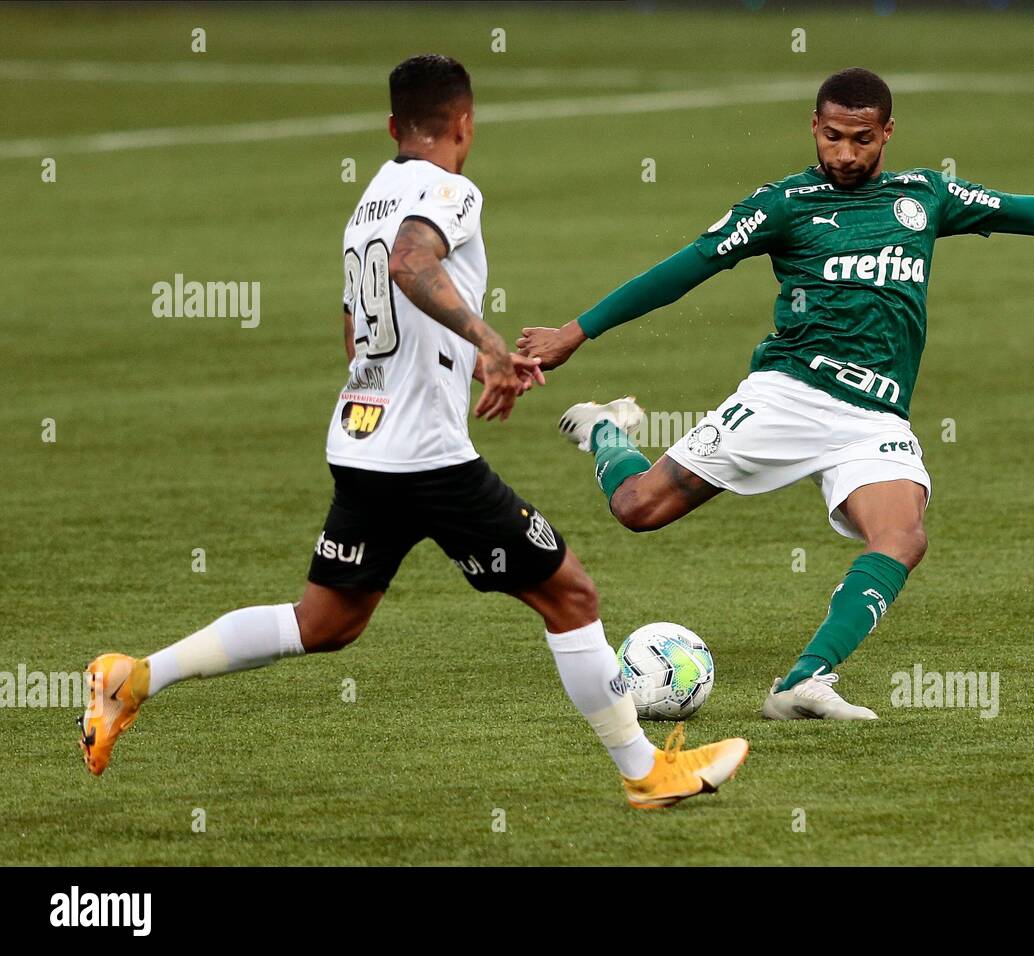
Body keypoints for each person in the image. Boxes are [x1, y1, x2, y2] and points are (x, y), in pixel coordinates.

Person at [78, 54, 747, 809]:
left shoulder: (368, 201)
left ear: (393, 126)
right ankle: (645, 773)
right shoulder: (451, 191)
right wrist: (491, 347)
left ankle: (133, 676)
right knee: (571, 595)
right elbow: (410, 264)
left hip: (362, 444)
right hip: (427, 462)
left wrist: (455, 371)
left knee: (326, 621)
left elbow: (358, 330)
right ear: (465, 123)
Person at [518, 67, 1034, 720]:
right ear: (814, 128)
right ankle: (606, 429)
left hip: (873, 419)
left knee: (903, 536)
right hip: (787, 395)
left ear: (887, 133)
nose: (844, 154)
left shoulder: (925, 195)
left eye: (861, 139)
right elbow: (686, 267)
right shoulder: (783, 204)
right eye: (832, 136)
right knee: (638, 509)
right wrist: (578, 331)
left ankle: (802, 683)